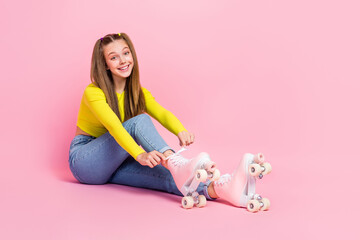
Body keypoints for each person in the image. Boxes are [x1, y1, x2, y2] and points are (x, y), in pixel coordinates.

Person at [68, 33, 271, 211]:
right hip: (85, 161)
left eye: (126, 53)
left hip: (116, 160)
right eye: (114, 57)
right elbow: (115, 127)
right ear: (105, 64)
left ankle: (221, 189)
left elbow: (162, 113)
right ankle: (175, 161)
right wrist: (140, 154)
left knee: (169, 176)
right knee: (138, 122)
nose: (123, 60)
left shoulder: (136, 93)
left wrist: (180, 130)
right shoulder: (93, 92)